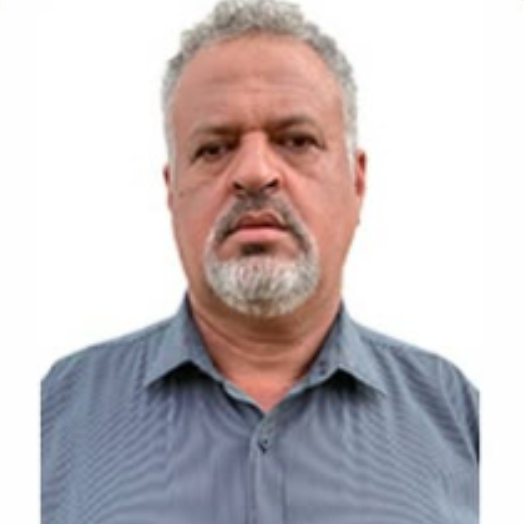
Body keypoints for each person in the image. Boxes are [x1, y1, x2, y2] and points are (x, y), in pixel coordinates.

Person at [41, 0, 479, 522]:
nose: (253, 172)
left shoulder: (460, 418)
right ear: (172, 190)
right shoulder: (53, 418)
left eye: (296, 141)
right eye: (213, 149)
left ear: (357, 182)